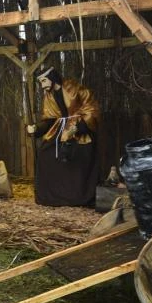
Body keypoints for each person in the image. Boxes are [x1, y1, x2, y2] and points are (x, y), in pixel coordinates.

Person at [26, 66, 100, 206]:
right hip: (59, 129)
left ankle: (77, 198)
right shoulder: (49, 95)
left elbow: (91, 108)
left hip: (78, 127)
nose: (43, 86)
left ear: (52, 78)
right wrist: (36, 129)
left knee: (77, 156)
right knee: (45, 153)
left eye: (44, 81)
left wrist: (79, 127)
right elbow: (49, 119)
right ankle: (52, 197)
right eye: (41, 82)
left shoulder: (74, 88)